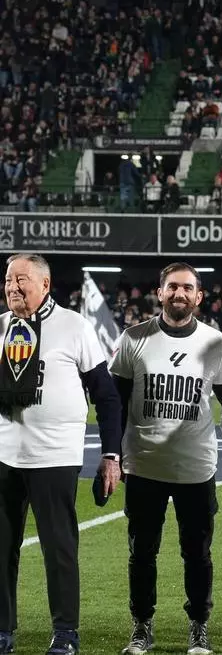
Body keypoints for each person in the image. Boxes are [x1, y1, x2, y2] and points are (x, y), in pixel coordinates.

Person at [110, 262, 222, 655]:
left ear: (199, 296)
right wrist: (112, 456)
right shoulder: (133, 339)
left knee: (197, 554)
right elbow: (114, 405)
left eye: (187, 288)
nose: (179, 294)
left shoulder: (216, 343)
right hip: (144, 465)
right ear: (160, 292)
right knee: (141, 553)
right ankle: (141, 626)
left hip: (195, 468)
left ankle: (199, 626)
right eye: (173, 287)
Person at [0, 253, 122, 655]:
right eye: (8, 280)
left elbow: (105, 396)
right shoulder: (0, 327)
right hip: (4, 456)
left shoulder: (73, 326)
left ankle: (65, 632)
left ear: (45, 285)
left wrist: (111, 454)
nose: (12, 288)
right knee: (1, 549)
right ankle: (3, 630)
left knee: (59, 548)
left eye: (21, 280)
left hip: (54, 457)